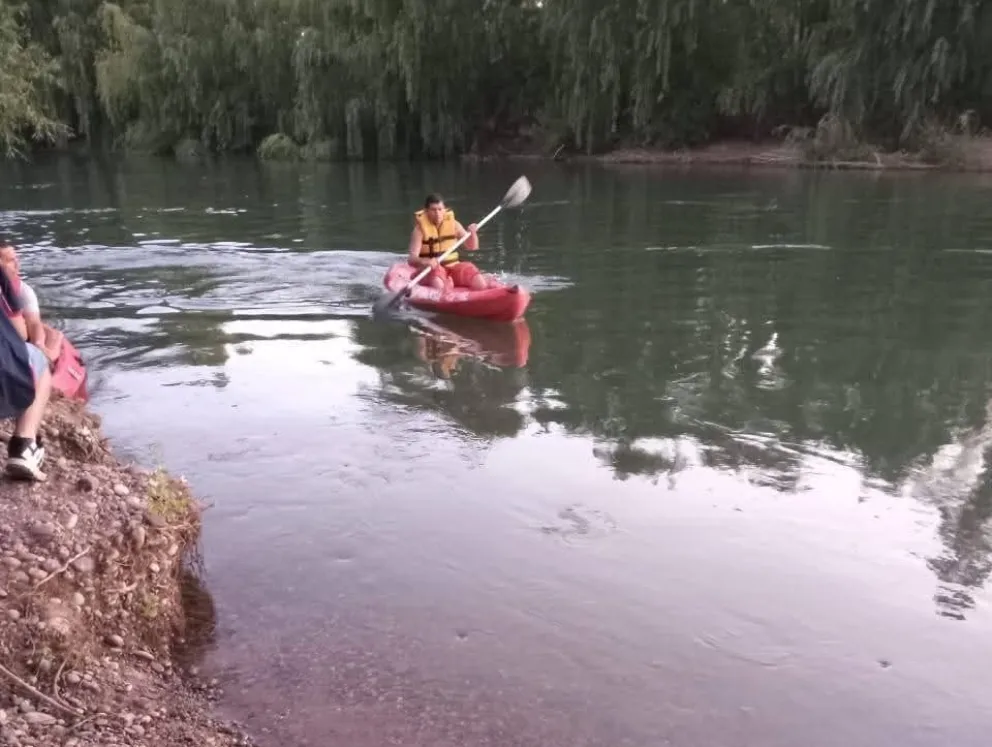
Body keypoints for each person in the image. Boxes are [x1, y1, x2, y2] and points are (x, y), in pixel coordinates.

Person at [0, 260, 51, 481]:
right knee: (37, 359)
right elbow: (20, 333)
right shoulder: (5, 281)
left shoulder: (24, 290)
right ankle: (24, 445)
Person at [407, 193, 494, 292]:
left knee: (480, 284)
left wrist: (473, 234)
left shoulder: (454, 225)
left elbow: (472, 247)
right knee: (438, 285)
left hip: (453, 266)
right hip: (431, 269)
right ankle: (446, 287)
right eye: (433, 210)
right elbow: (411, 259)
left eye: (440, 209)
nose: (437, 213)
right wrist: (426, 261)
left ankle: (452, 283)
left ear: (444, 210)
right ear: (426, 211)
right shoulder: (419, 231)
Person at [0, 243, 62, 362]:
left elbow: (33, 323)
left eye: (16, 259)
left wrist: (39, 346)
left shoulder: (23, 290)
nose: (17, 265)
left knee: (52, 335)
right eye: (10, 260)